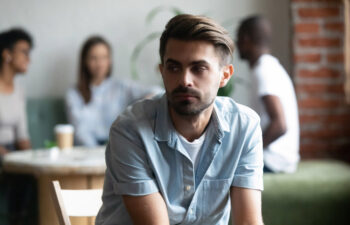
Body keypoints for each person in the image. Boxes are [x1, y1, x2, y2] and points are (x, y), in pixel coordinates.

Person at [96, 14, 264, 225]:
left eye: (199, 68)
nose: (185, 80)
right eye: (174, 67)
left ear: (225, 75)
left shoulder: (244, 127)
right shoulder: (130, 130)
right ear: (162, 72)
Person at [65, 36, 162, 147]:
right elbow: (80, 132)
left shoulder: (121, 87)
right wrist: (99, 152)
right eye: (93, 58)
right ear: (85, 61)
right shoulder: (74, 94)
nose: (99, 63)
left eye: (104, 57)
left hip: (118, 147)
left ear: (109, 60)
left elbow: (158, 92)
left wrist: (145, 103)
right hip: (87, 151)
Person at [237, 15, 300, 173]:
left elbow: (280, 125)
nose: (236, 44)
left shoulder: (263, 70)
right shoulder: (269, 67)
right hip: (281, 159)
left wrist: (248, 153)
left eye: (237, 39)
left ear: (245, 39)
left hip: (273, 161)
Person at [0, 28, 37, 225]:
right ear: (6, 54)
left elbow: (22, 136)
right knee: (18, 174)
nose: (28, 59)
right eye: (24, 52)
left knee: (33, 173)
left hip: (11, 152)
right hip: (2, 152)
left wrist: (34, 160)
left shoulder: (18, 92)